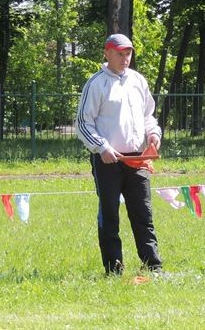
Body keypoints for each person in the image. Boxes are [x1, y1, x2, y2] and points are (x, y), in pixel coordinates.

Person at [76, 33, 163, 276]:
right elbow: (83, 123)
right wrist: (101, 147)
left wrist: (154, 134)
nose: (125, 58)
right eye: (119, 53)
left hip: (138, 160)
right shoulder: (96, 84)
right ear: (107, 53)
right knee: (110, 215)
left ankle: (153, 267)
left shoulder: (138, 81)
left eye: (128, 53)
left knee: (143, 215)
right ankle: (114, 270)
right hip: (107, 161)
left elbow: (149, 116)